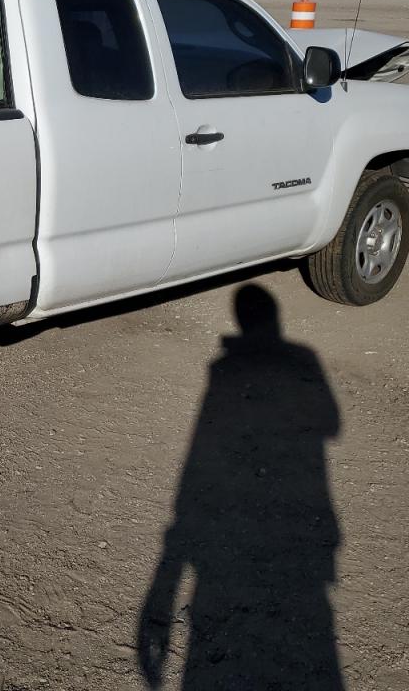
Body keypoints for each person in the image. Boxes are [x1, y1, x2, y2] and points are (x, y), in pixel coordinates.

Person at [138, 285, 343, 690]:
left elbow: (201, 445)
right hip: (305, 543)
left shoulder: (222, 369)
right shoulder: (303, 358)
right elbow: (332, 425)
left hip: (220, 547)